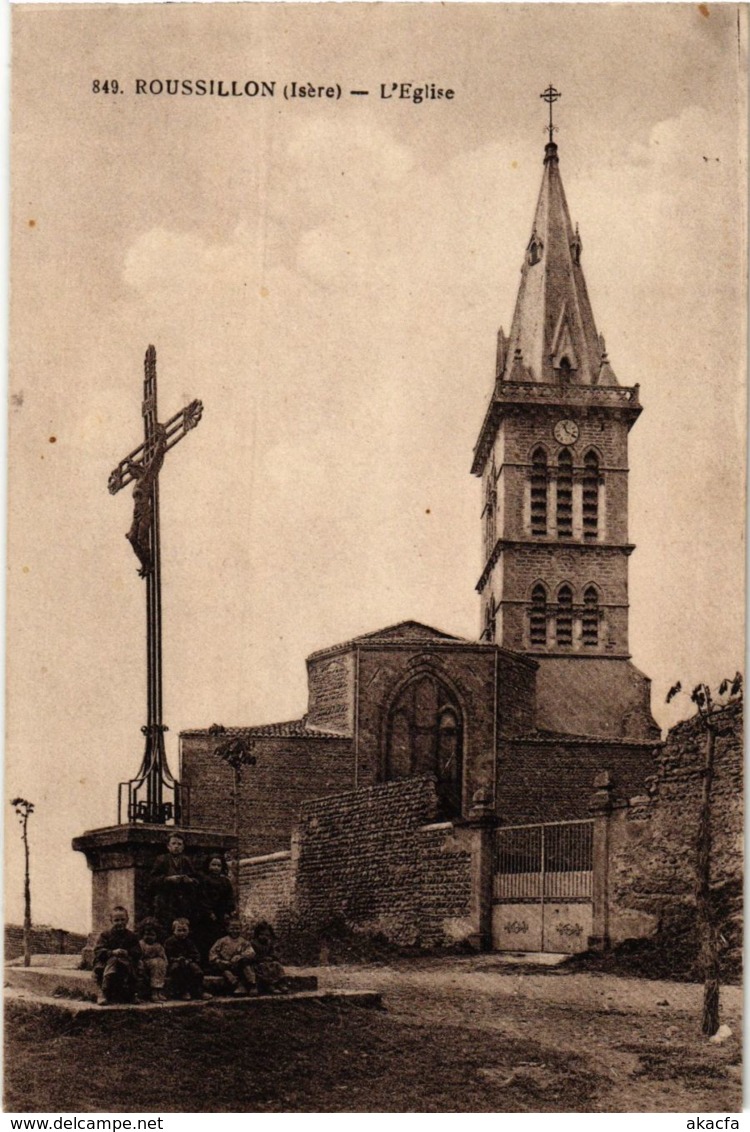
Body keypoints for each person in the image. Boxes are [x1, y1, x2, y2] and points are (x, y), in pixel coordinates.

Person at [149, 832, 201, 936]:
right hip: (166, 902)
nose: (176, 846)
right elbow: (152, 880)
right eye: (173, 843)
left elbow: (197, 879)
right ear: (168, 846)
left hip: (183, 903)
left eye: (179, 844)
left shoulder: (186, 861)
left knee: (183, 929)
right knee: (165, 929)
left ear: (183, 847)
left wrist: (189, 880)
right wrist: (167, 879)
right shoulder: (162, 859)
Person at [92, 905, 141, 1005]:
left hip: (126, 962)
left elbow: (138, 951)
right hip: (107, 963)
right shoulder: (105, 935)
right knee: (112, 962)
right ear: (111, 921)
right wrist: (112, 952)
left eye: (122, 920)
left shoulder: (132, 936)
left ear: (127, 920)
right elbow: (98, 951)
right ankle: (104, 992)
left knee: (134, 969)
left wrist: (128, 952)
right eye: (116, 920)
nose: (120, 923)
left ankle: (132, 994)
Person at [195, 855, 236, 963]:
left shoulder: (225, 881)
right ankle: (205, 962)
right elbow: (201, 898)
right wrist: (209, 912)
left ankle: (218, 963)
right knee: (206, 939)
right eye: (213, 865)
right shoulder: (204, 880)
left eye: (219, 865)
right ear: (208, 866)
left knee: (219, 939)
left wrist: (229, 911)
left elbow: (229, 897)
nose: (216, 868)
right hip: (206, 915)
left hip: (220, 914)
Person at [164, 918, 211, 1001]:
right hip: (174, 963)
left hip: (188, 962)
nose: (182, 933)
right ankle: (183, 991)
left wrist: (189, 960)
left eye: (184, 930)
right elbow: (167, 955)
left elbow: (196, 955)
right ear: (173, 931)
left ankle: (199, 991)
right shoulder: (169, 942)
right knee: (177, 969)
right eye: (179, 930)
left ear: (188, 931)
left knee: (197, 971)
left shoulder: (189, 942)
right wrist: (177, 959)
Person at [208, 918, 256, 996]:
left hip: (239, 965)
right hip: (226, 965)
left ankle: (252, 985)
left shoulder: (244, 942)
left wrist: (241, 956)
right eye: (232, 929)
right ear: (227, 929)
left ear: (241, 929)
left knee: (247, 967)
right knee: (226, 972)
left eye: (237, 929)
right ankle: (238, 985)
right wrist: (219, 960)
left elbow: (251, 952)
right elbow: (212, 953)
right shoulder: (222, 941)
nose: (235, 931)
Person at [251, 921, 286, 995]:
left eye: (267, 935)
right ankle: (271, 986)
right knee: (264, 967)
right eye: (262, 934)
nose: (264, 937)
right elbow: (252, 956)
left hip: (269, 962)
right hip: (258, 963)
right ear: (257, 934)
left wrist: (272, 957)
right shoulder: (253, 943)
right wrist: (262, 958)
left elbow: (272, 953)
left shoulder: (269, 943)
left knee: (277, 965)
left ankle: (280, 983)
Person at [138, 917, 168, 1003]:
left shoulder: (158, 946)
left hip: (157, 966)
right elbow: (139, 957)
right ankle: (154, 993)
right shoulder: (141, 944)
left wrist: (165, 963)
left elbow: (163, 956)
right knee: (156, 963)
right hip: (145, 964)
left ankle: (159, 991)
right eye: (146, 934)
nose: (149, 937)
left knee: (160, 962)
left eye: (152, 935)